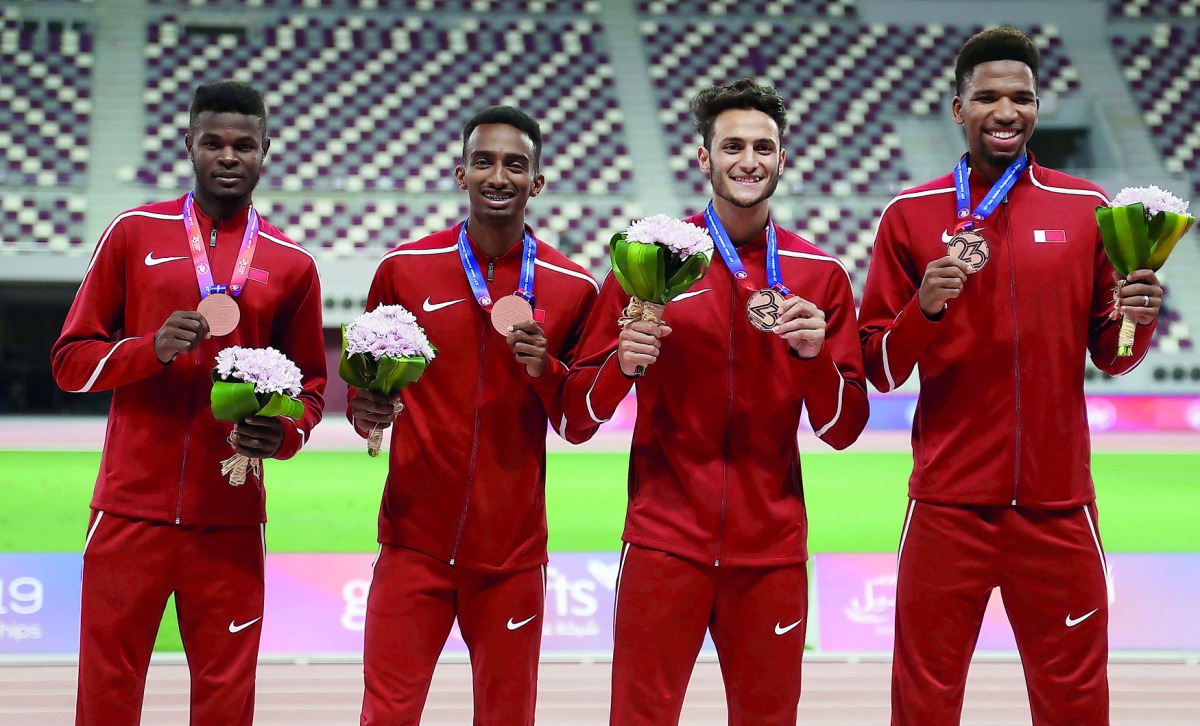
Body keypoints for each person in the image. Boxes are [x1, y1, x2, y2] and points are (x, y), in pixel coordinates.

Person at [858, 27, 1165, 724]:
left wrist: (1138, 318)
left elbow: (1112, 352)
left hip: (1059, 509)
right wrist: (924, 308)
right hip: (947, 507)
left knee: (1076, 704)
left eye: (1022, 97)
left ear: (1036, 105)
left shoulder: (1089, 210)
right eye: (989, 96)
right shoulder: (908, 215)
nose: (1007, 111)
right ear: (957, 107)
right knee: (924, 703)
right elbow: (877, 365)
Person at [563, 78, 869, 725]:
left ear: (783, 158)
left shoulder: (820, 276)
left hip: (771, 555)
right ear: (703, 158)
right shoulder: (650, 260)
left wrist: (815, 362)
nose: (749, 160)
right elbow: (576, 417)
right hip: (664, 545)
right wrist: (621, 365)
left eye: (764, 146)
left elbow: (843, 430)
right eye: (732, 145)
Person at [51, 80, 327, 725]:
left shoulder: (292, 263)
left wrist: (281, 435)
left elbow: (311, 389)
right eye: (213, 143)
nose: (228, 156)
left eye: (244, 145)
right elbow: (69, 363)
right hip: (129, 513)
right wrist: (150, 350)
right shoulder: (133, 233)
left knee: (227, 696)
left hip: (229, 517)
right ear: (189, 146)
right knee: (107, 691)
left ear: (265, 152)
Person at [349, 106, 599, 725]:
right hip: (414, 545)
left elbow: (579, 423)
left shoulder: (573, 288)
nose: (498, 175)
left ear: (537, 182)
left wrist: (549, 371)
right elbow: (365, 398)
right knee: (386, 715)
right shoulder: (404, 270)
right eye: (483, 161)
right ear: (461, 174)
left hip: (511, 557)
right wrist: (368, 409)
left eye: (516, 164)